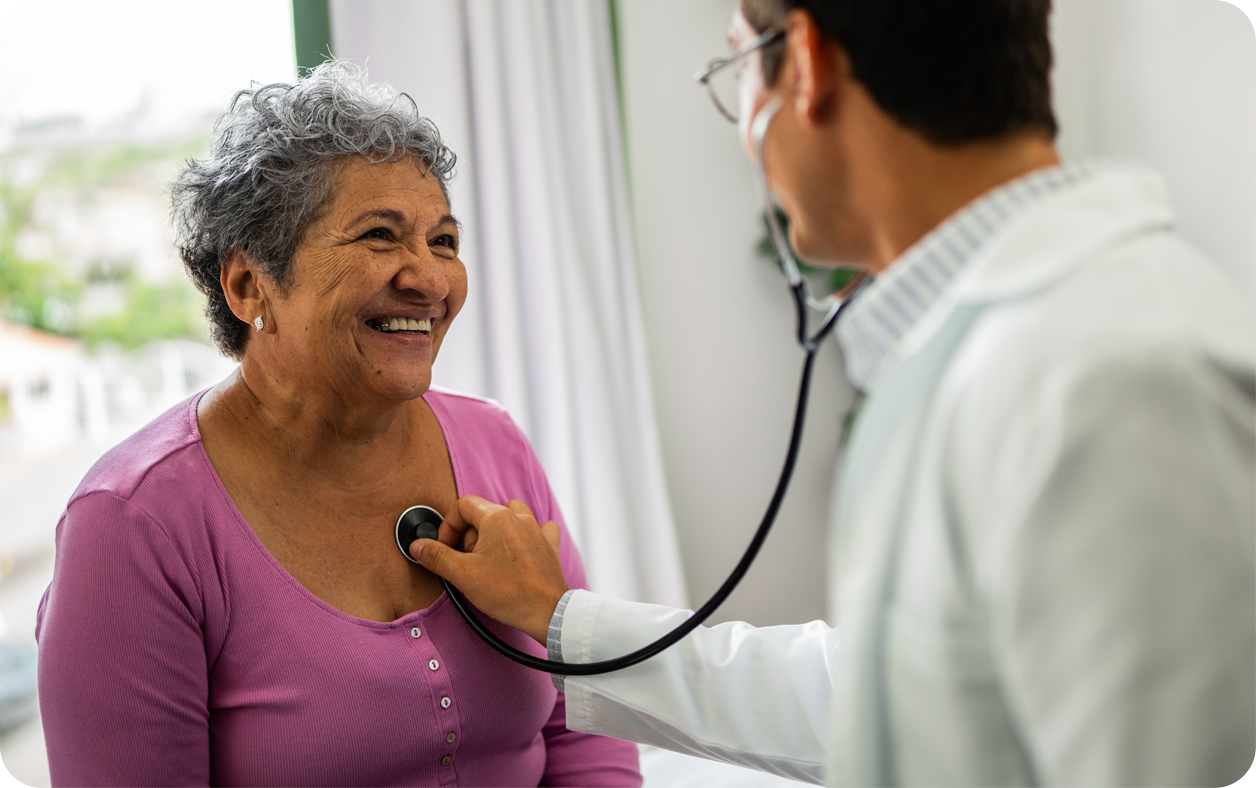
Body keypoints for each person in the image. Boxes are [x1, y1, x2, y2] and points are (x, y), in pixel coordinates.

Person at [411, 2, 1256, 787]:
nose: (744, 131)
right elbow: (882, 697)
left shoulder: (1121, 373)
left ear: (804, 64)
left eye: (736, 73)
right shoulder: (981, 350)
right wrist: (560, 617)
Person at [34, 61, 641, 788]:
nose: (431, 279)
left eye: (443, 241)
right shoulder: (134, 526)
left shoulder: (494, 444)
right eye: (380, 237)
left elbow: (581, 732)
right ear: (248, 284)